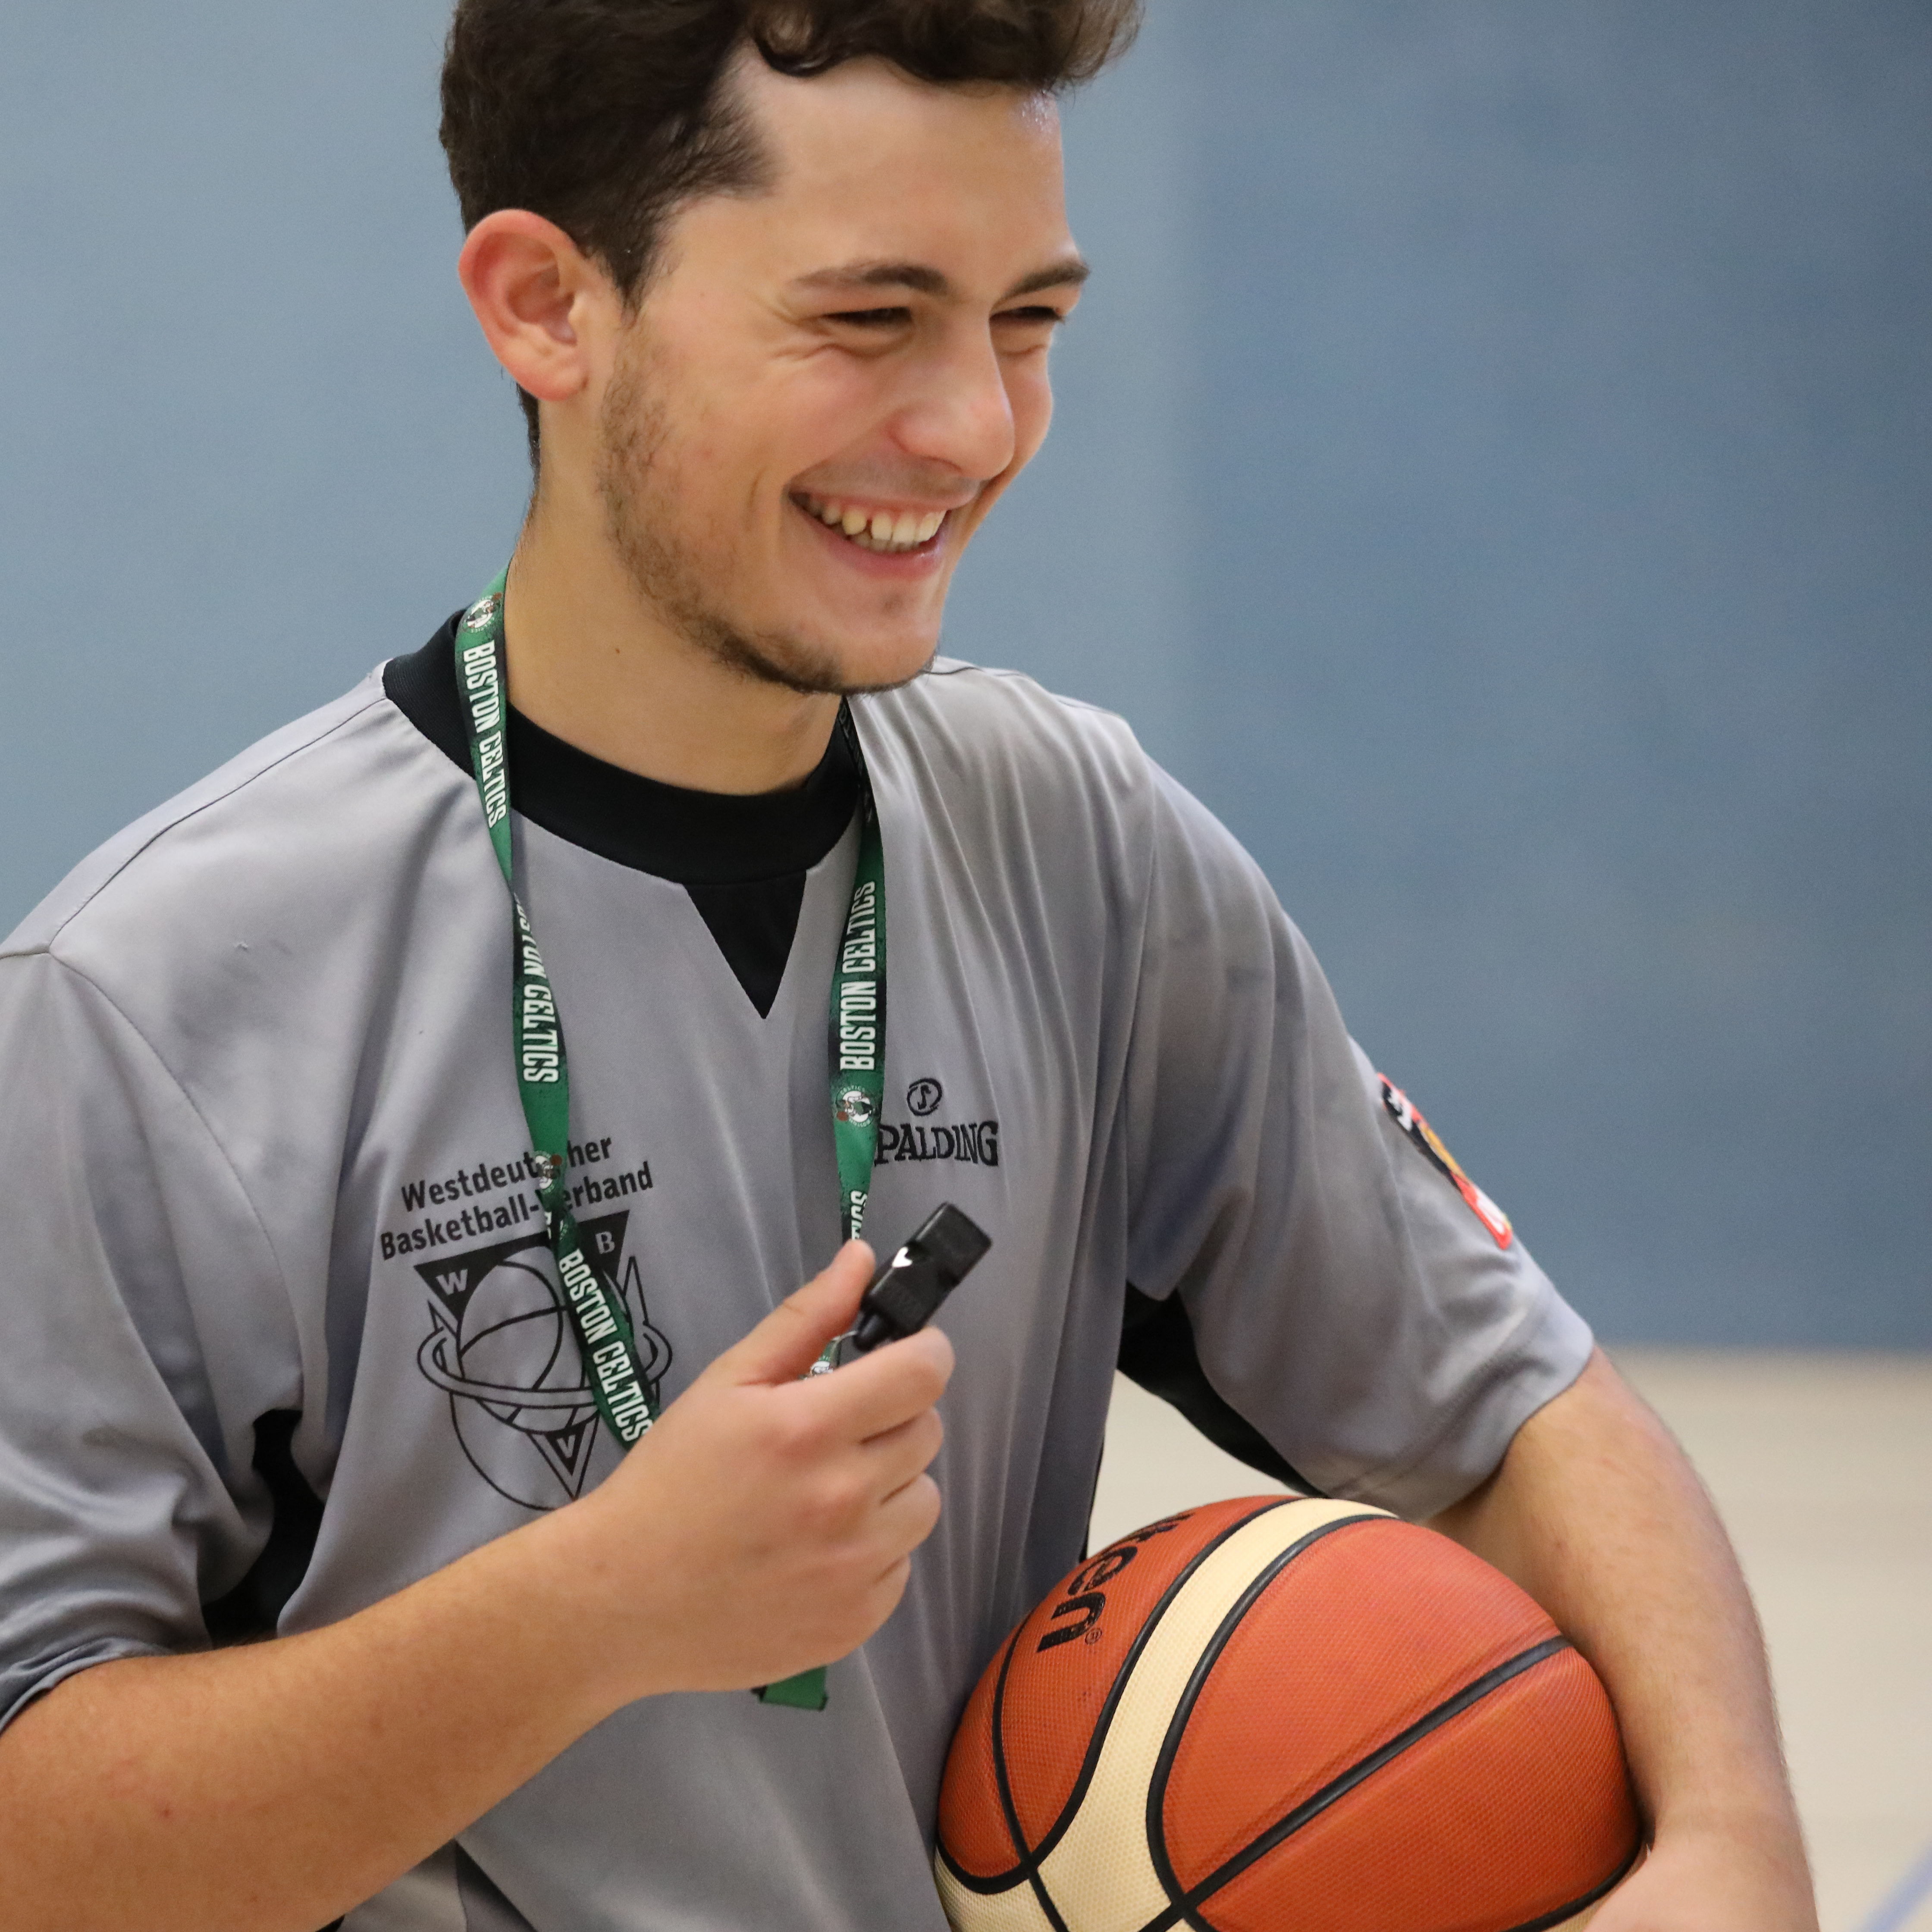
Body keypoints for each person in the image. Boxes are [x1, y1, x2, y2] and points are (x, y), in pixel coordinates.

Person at [0, 4, 1815, 1929]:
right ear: (548, 305)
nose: (975, 427)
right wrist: (600, 1605)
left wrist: (1729, 1837)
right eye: (869, 319)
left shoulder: (1083, 847)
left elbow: (1507, 1407)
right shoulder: (144, 1001)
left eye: (1026, 322)